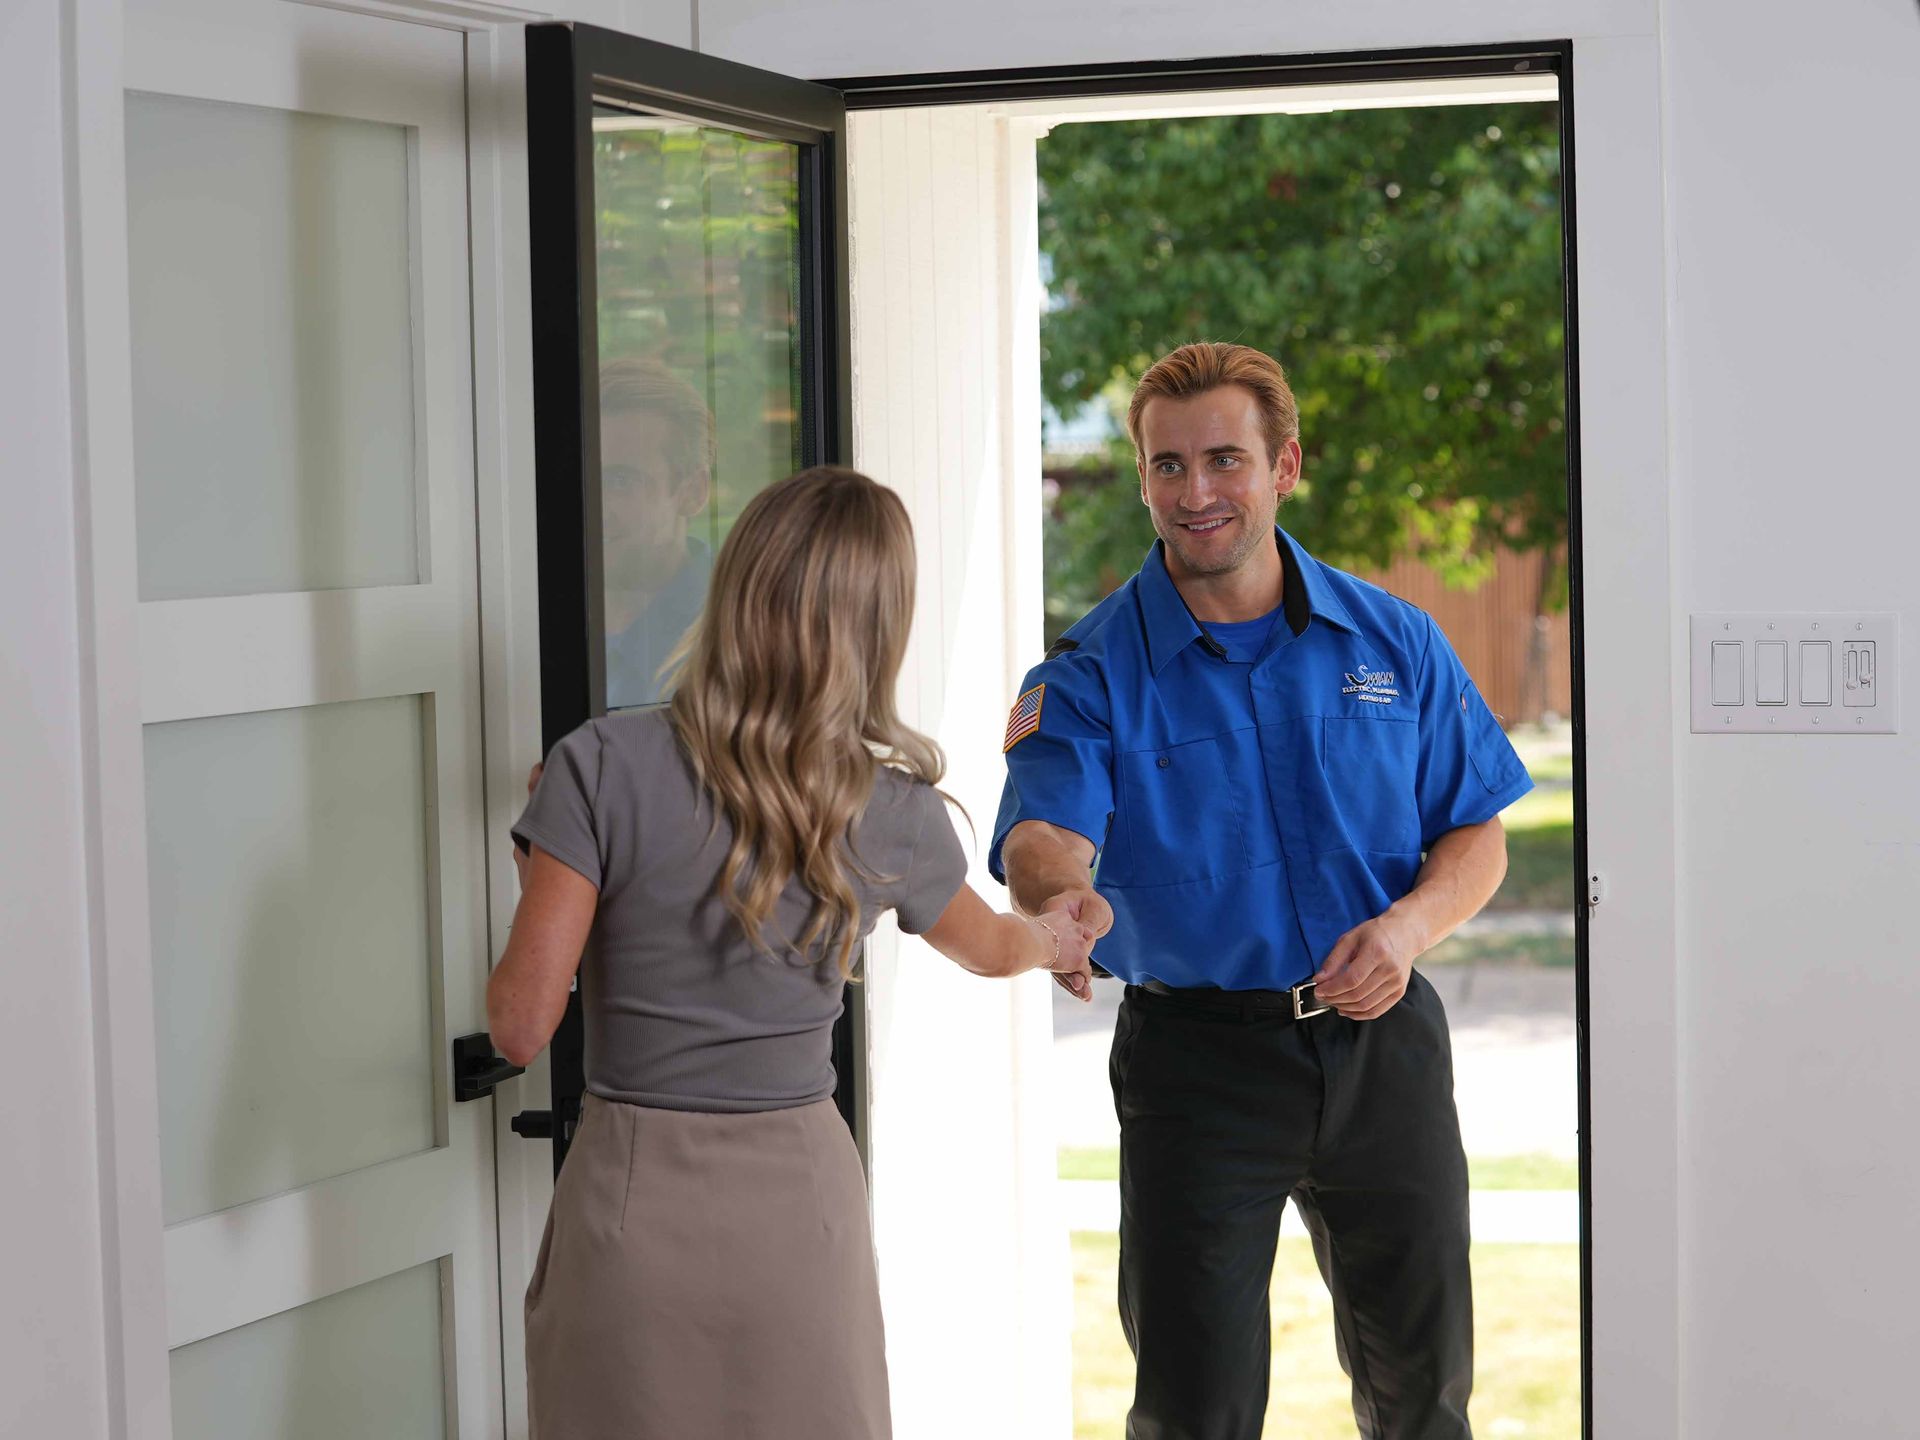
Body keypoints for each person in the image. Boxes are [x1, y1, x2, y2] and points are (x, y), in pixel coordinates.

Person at [991, 343, 1534, 1440]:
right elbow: (1046, 835)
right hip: (1198, 1070)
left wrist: (1408, 928)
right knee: (1198, 1410)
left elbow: (1477, 832)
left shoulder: (1395, 640)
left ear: (1285, 466)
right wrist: (1067, 900)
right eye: (1170, 465)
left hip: (1384, 1049)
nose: (1197, 493)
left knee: (1425, 1392)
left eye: (1225, 459)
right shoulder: (1088, 674)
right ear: (1142, 478)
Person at [491, 466, 1096, 1440]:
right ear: (877, 628)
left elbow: (520, 1027)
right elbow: (992, 947)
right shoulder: (894, 810)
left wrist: (557, 848)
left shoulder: (597, 766)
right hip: (799, 1206)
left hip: (634, 1205)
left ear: (734, 590)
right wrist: (1054, 935)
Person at [599, 356, 716, 710]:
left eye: (620, 481)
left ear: (693, 492)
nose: (591, 507)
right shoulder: (524, 618)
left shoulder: (740, 634)